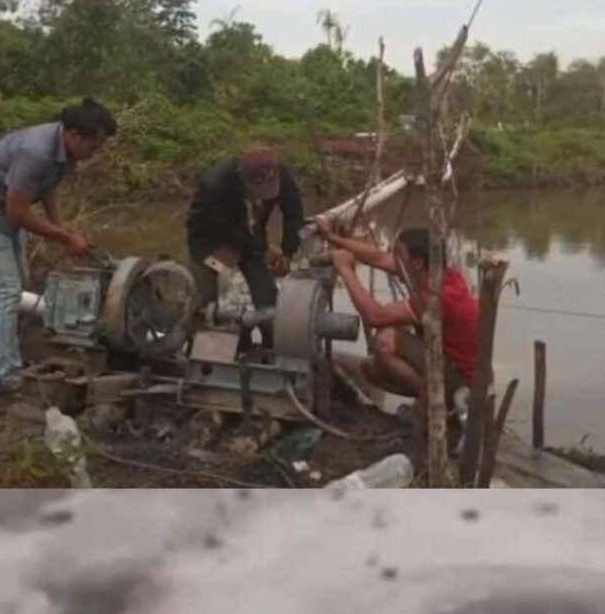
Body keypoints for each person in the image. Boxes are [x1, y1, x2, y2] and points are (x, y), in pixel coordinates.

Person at [0, 98, 116, 393]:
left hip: (2, 214)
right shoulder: (37, 152)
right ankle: (9, 377)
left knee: (14, 286)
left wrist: (61, 225)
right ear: (75, 135)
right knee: (8, 291)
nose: (94, 154)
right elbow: (17, 210)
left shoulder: (63, 147)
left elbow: (47, 186)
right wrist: (64, 238)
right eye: (93, 147)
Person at [314, 220, 479, 419]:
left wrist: (345, 269)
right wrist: (334, 239)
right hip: (450, 368)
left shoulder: (440, 297)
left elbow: (376, 316)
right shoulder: (437, 274)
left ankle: (430, 402)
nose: (393, 261)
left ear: (417, 262)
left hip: (465, 384)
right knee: (370, 368)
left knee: (386, 340)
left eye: (399, 256)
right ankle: (430, 399)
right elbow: (379, 257)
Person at [184, 147, 306, 336]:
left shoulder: (279, 173)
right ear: (243, 177)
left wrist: (288, 251)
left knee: (268, 297)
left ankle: (271, 340)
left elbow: (294, 212)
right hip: (211, 239)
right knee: (204, 305)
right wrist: (262, 248)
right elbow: (226, 229)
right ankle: (205, 338)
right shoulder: (215, 184)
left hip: (251, 236)